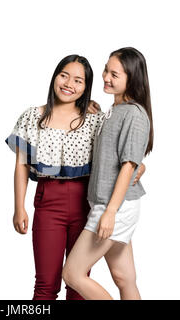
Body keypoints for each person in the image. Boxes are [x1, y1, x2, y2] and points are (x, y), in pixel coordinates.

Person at [5, 54, 145, 300]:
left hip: (86, 203)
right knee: (45, 285)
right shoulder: (32, 117)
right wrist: (19, 207)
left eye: (79, 80)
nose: (69, 84)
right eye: (64, 76)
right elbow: (21, 166)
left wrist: (139, 168)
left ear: (86, 87)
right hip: (48, 203)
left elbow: (123, 155)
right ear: (54, 77)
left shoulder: (95, 120)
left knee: (78, 284)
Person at [62, 47, 153, 300]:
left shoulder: (135, 114)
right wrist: (98, 114)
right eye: (106, 70)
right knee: (124, 278)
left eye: (114, 74)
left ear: (132, 78)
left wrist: (110, 212)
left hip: (115, 206)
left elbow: (129, 165)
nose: (105, 77)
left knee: (72, 274)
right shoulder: (115, 111)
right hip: (109, 204)